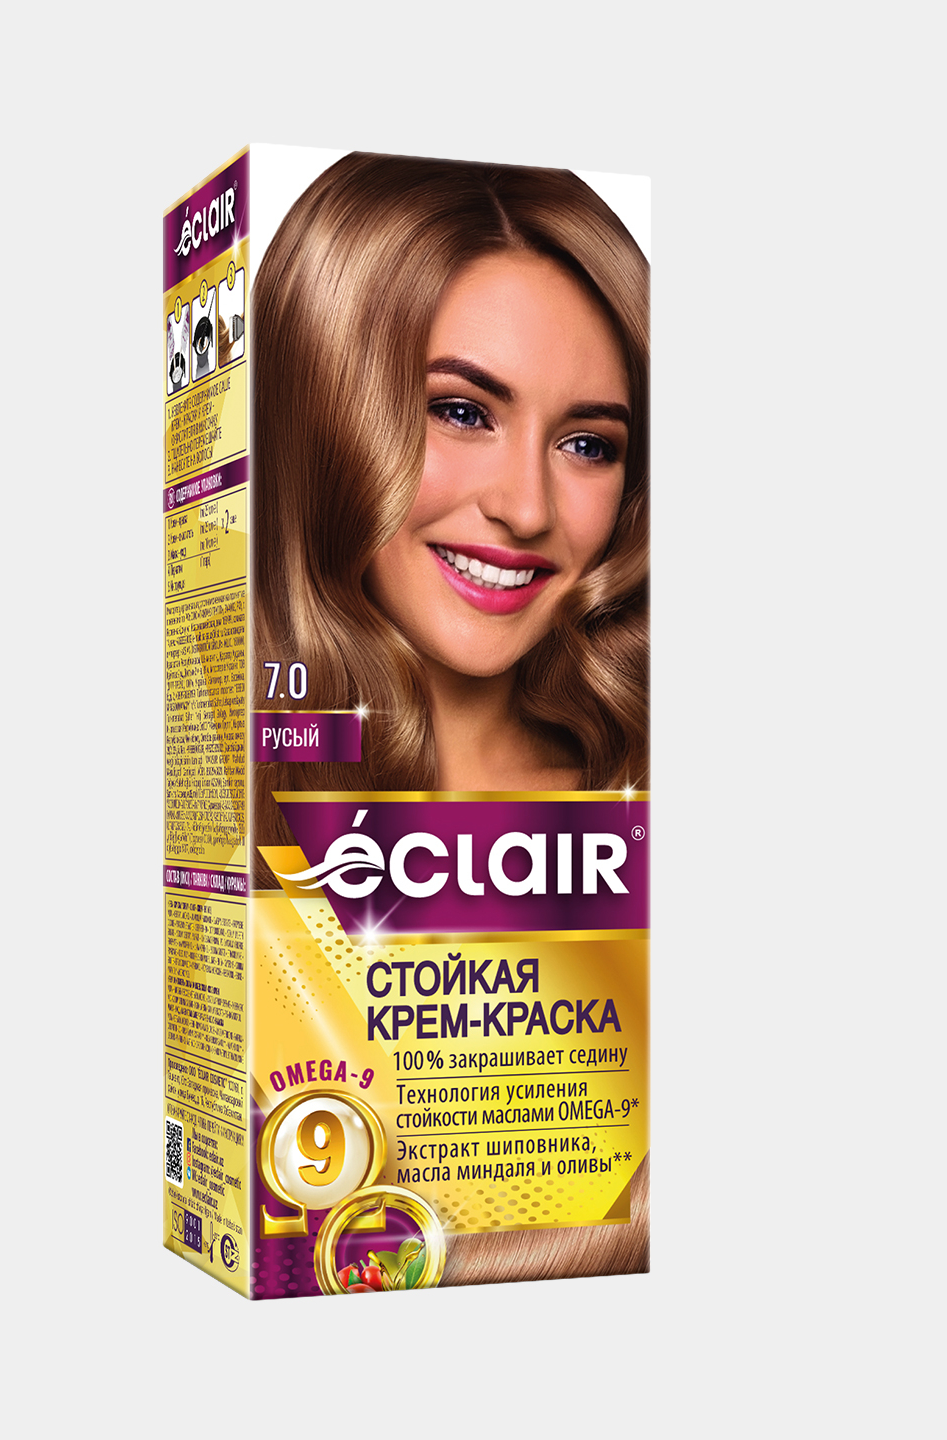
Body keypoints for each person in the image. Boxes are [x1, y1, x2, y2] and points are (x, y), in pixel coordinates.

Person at [253, 152, 649, 1278]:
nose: (526, 507)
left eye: (587, 443)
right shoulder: (228, 814)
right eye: (462, 411)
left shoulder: (643, 798)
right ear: (323, 406)